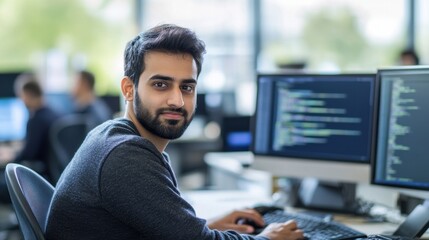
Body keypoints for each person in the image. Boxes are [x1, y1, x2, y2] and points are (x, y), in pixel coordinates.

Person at [46, 24, 304, 240]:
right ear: (128, 89)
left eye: (187, 87)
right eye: (161, 85)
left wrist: (207, 225)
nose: (177, 101)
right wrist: (267, 238)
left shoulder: (111, 136)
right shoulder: (125, 155)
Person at [0, 73, 60, 202]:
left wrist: (9, 157)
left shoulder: (36, 120)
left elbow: (28, 154)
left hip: (39, 176)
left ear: (27, 94)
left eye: (21, 96)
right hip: (54, 177)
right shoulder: (54, 114)